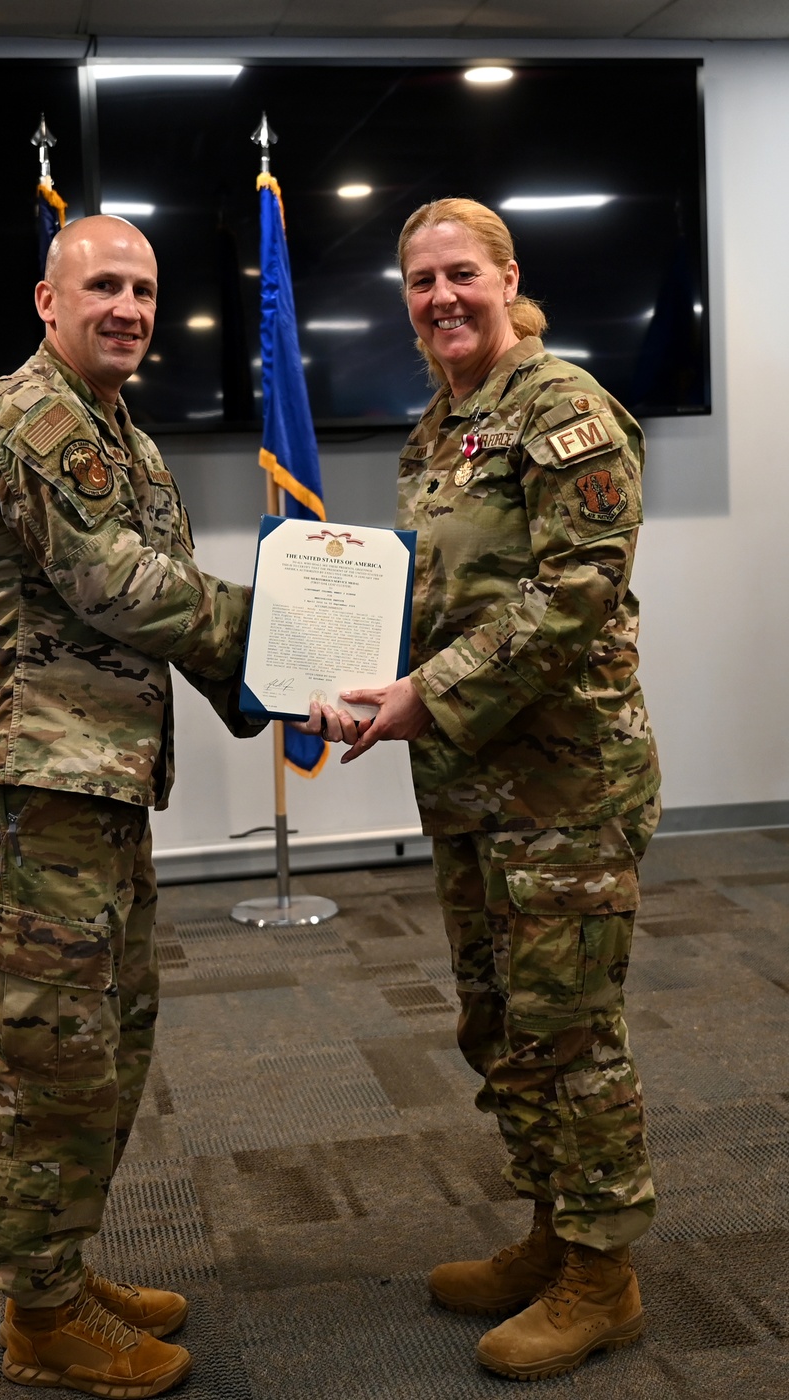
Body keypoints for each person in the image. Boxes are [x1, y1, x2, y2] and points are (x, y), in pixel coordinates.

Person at [306, 198, 661, 1381]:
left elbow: (577, 590)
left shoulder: (563, 410)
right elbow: (436, 597)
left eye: (460, 272)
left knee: (568, 1030)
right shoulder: (443, 425)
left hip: (563, 785)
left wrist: (424, 691)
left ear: (510, 277)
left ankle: (603, 1276)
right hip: (468, 778)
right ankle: (554, 1231)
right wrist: (347, 673)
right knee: (497, 1019)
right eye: (419, 281)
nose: (440, 296)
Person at [0, 215, 260, 1397]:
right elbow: (117, 584)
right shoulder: (30, 417)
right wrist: (275, 639)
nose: (127, 306)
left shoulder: (121, 432)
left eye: (144, 289)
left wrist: (266, 669)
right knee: (50, 1057)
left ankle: (59, 1272)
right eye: (104, 286)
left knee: (107, 1044)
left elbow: (153, 592)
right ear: (47, 300)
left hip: (96, 786)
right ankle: (39, 1317)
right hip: (33, 788)